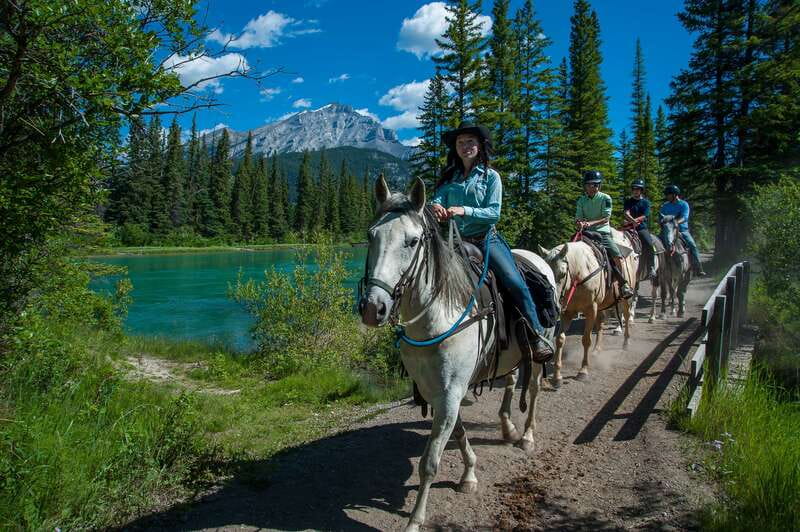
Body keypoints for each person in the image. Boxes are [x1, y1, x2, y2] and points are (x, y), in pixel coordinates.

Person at [431, 123, 554, 361]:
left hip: (487, 240)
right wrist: (436, 205)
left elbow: (494, 213)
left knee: (514, 281)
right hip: (456, 241)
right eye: (460, 143)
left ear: (480, 146)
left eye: (470, 142)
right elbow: (437, 197)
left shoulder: (491, 177)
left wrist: (464, 210)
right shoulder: (451, 177)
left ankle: (536, 334)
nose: (465, 147)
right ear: (455, 148)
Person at [575, 170, 635, 299]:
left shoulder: (605, 198)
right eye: (590, 184)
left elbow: (606, 218)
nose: (593, 187)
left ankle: (624, 284)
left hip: (602, 233)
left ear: (599, 185)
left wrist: (589, 224)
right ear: (585, 186)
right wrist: (579, 223)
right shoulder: (581, 200)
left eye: (596, 185)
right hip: (585, 233)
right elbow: (578, 217)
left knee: (617, 255)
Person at [659, 184, 706, 276]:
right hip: (667, 230)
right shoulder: (665, 206)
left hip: (682, 230)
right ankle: (655, 268)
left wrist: (676, 222)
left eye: (668, 194)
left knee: (692, 245)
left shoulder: (684, 204)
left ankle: (698, 267)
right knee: (656, 244)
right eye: (667, 194)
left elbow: (685, 217)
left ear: (675, 194)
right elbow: (661, 217)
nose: (667, 196)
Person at [623, 179, 659, 279]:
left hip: (641, 228)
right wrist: (632, 221)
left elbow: (644, 216)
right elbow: (626, 213)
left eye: (638, 189)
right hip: (628, 228)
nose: (635, 191)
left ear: (641, 190)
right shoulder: (628, 201)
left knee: (649, 244)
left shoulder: (645, 202)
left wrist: (633, 221)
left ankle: (651, 267)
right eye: (634, 189)